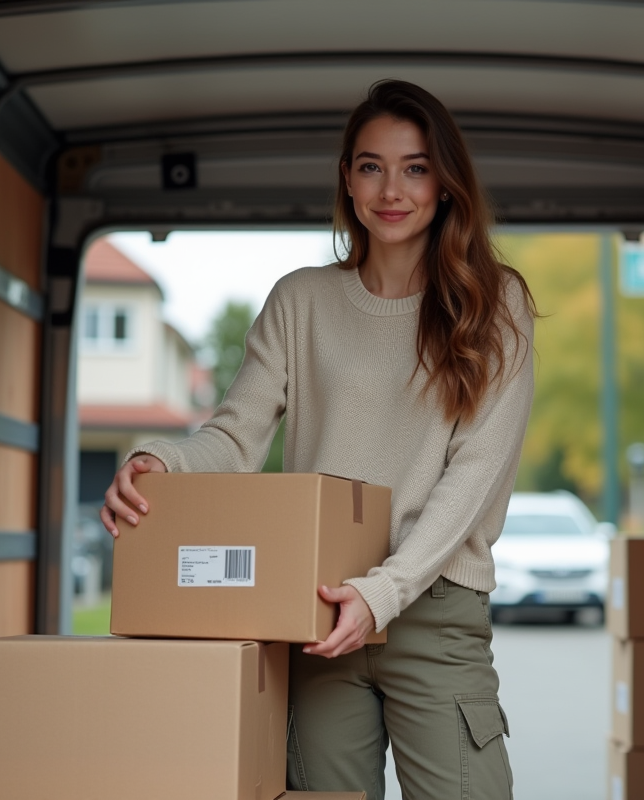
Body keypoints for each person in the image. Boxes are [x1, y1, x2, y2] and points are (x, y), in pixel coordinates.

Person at [100, 79, 536, 800]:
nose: (391, 188)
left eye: (415, 166)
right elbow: (235, 438)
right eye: (370, 165)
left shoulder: (497, 306)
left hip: (432, 608)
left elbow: (475, 477)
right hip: (316, 613)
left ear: (446, 182)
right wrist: (161, 462)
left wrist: (384, 592)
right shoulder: (300, 301)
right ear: (347, 177)